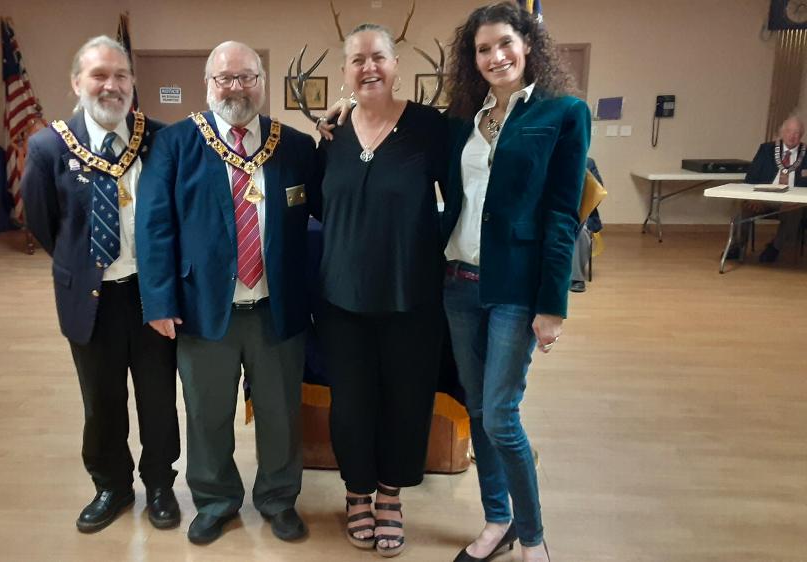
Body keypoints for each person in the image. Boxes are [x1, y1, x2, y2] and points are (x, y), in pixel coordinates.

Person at [135, 41, 316, 545]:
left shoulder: (294, 145)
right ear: (207, 84)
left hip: (276, 310)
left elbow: (330, 209)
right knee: (207, 413)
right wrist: (160, 302)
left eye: (246, 77)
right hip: (202, 309)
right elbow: (154, 228)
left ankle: (279, 498)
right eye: (224, 78)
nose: (235, 87)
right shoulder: (176, 144)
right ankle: (215, 500)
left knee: (280, 413)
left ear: (261, 81)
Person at [439, 4, 590, 561]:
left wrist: (553, 306)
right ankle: (496, 519)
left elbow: (561, 215)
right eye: (482, 49)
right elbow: (398, 124)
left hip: (515, 290)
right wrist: (346, 105)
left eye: (505, 43)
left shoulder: (563, 114)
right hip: (457, 281)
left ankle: (532, 536)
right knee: (477, 409)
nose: (495, 56)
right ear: (472, 58)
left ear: (528, 44)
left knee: (502, 415)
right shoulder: (461, 118)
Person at [21, 36, 180, 533]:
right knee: (102, 399)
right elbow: (45, 223)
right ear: (77, 83)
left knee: (157, 398)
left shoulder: (160, 139)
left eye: (121, 76)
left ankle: (159, 484)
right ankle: (111, 485)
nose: (111, 86)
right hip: (90, 299)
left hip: (149, 294)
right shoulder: (48, 145)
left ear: (133, 83)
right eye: (99, 75)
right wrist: (83, 266)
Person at [311, 23, 449, 558]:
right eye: (357, 59)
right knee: (351, 405)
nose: (368, 67)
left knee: (406, 400)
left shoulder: (429, 129)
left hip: (411, 293)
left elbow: (456, 201)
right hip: (341, 296)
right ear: (345, 70)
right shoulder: (331, 136)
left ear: (395, 65)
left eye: (379, 57)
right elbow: (323, 207)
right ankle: (356, 494)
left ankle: (390, 495)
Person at [734, 115, 807, 263]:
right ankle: (736, 246)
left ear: (801, 135)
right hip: (765, 198)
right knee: (743, 207)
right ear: (781, 132)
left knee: (795, 210)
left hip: (793, 203)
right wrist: (754, 198)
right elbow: (751, 178)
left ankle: (775, 247)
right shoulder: (767, 149)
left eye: (797, 133)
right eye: (789, 131)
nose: (792, 136)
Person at [570, 158, 604, 293]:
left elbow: (598, 192)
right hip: (550, 212)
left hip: (580, 213)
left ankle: (576, 277)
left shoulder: (586, 162)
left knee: (581, 230)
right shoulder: (544, 158)